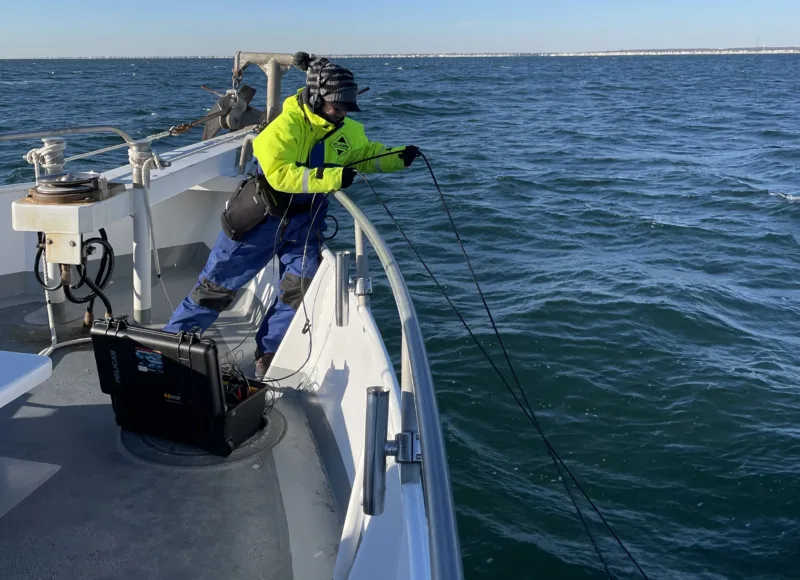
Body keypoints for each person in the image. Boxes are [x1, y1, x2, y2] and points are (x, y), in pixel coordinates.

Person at [164, 51, 419, 378]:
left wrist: (398, 157)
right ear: (316, 98)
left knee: (297, 289)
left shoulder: (347, 129)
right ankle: (172, 345)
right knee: (217, 287)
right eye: (335, 107)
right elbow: (280, 175)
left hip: (304, 224)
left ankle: (268, 352)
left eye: (346, 109)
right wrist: (332, 178)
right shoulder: (284, 126)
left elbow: (363, 155)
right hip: (260, 221)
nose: (340, 115)